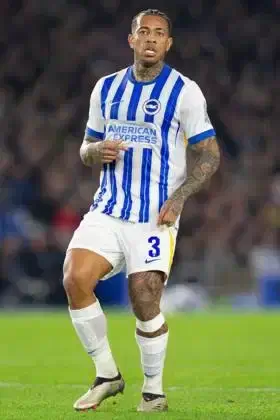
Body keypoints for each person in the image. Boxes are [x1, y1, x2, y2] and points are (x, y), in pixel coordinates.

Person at [63, 8, 220, 413]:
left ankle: (153, 391)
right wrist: (96, 151)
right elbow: (86, 149)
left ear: (168, 44)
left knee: (144, 295)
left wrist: (181, 197)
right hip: (109, 209)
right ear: (131, 39)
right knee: (75, 279)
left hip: (155, 213)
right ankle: (107, 375)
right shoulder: (107, 88)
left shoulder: (185, 92)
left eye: (159, 34)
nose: (151, 39)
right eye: (143, 32)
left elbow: (209, 155)